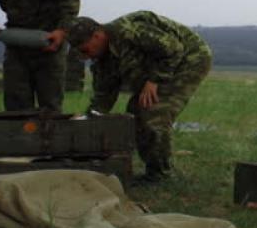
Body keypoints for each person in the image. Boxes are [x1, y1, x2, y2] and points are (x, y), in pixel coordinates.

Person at [68, 11, 213, 182]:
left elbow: (173, 49)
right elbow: (103, 97)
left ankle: (162, 175)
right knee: (135, 113)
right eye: (81, 54)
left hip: (188, 58)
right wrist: (89, 119)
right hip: (159, 69)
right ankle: (153, 170)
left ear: (98, 35)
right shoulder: (102, 60)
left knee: (153, 113)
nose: (86, 57)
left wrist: (154, 80)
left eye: (85, 50)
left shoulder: (130, 32)